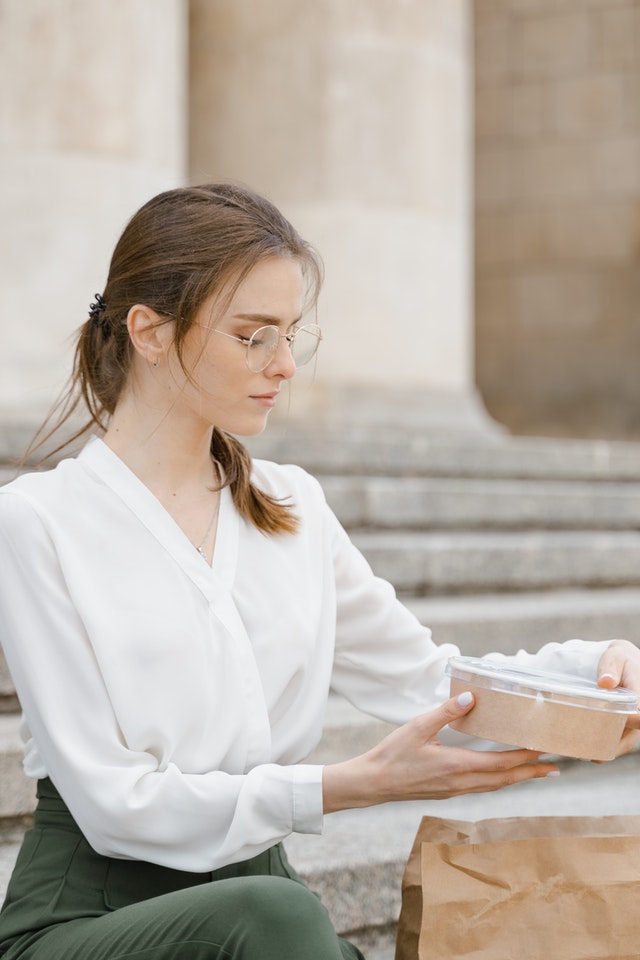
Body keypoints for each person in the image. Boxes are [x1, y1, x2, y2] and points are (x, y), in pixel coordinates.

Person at [0, 183, 638, 960]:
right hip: (92, 916)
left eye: (292, 334)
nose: (285, 365)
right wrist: (355, 784)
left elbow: (431, 681)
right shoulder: (39, 522)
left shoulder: (290, 504)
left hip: (268, 910)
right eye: (252, 336)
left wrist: (589, 678)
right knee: (276, 919)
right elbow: (113, 806)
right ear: (149, 331)